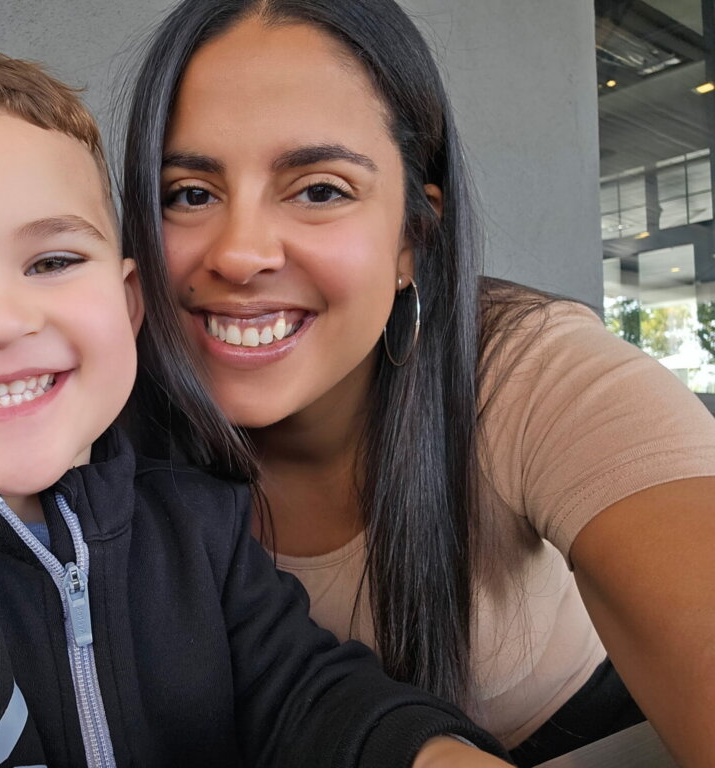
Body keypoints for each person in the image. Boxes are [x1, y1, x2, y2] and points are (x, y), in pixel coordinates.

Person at [0, 42, 512, 768]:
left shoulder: (200, 523)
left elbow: (306, 694)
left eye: (50, 261)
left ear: (126, 308)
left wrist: (430, 751)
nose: (1, 322)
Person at [119, 1, 715, 766]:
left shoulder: (528, 370)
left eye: (320, 190)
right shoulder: (91, 437)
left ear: (413, 236)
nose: (239, 255)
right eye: (189, 194)